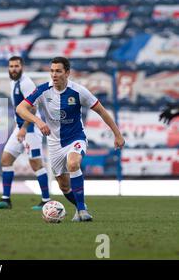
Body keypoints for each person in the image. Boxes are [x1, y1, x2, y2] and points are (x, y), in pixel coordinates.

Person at [16, 57, 125, 221]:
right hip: (54, 144)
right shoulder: (43, 90)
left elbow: (101, 111)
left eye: (58, 71)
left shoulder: (79, 91)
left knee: (73, 163)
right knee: (63, 185)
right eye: (52, 71)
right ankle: (80, 207)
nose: (54, 74)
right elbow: (20, 108)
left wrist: (117, 134)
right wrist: (38, 121)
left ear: (67, 73)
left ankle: (82, 211)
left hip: (75, 138)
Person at [0, 56, 51, 210]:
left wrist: (24, 128)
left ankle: (46, 200)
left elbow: (33, 108)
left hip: (31, 128)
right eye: (11, 66)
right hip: (21, 126)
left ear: (22, 67)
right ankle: (6, 199)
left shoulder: (26, 83)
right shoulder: (14, 82)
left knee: (35, 163)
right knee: (6, 159)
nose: (13, 69)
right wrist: (20, 127)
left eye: (16, 66)